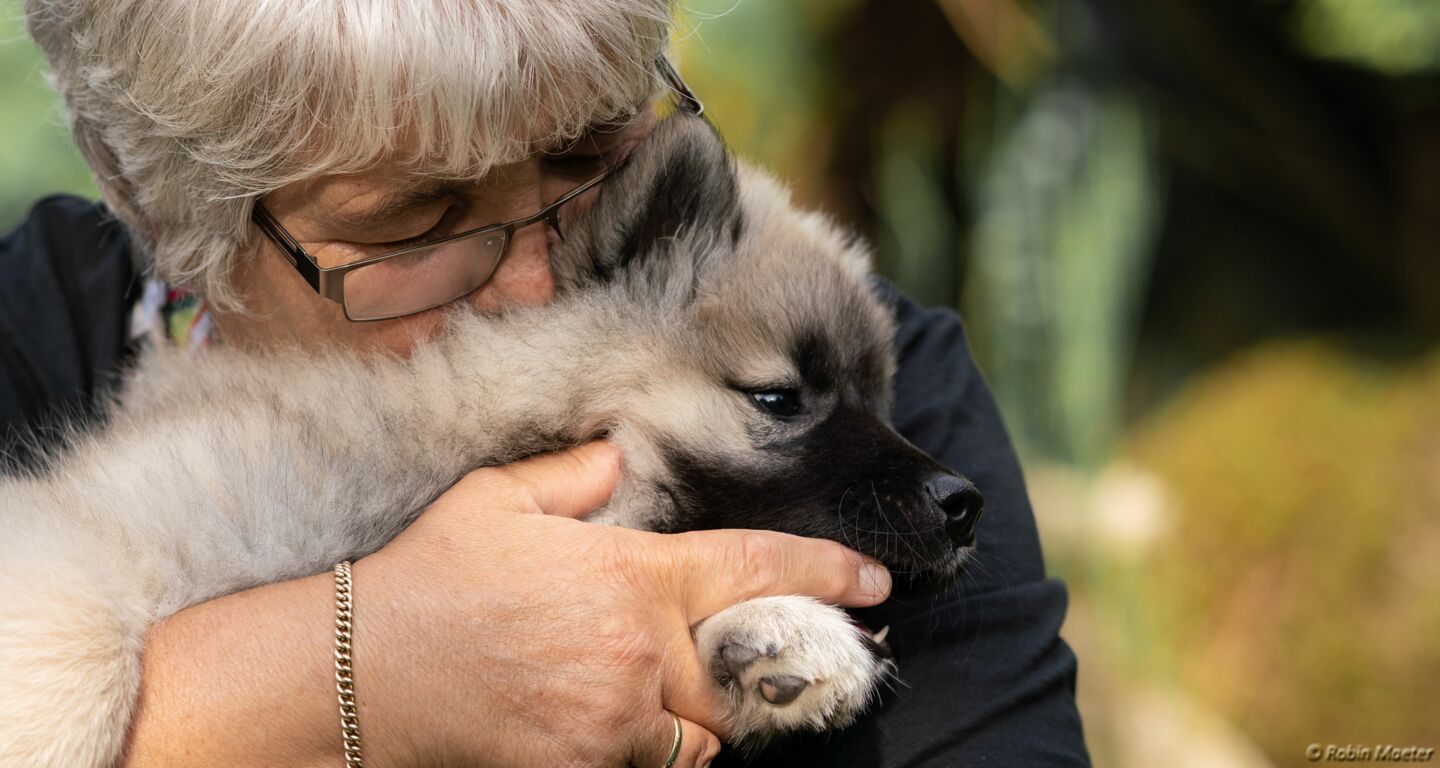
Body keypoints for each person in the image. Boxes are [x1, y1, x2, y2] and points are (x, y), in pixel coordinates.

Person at [0, 1, 1089, 766]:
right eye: (416, 222)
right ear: (178, 228)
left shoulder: (873, 368)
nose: (536, 284)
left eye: (584, 151)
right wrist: (350, 672)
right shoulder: (39, 344)